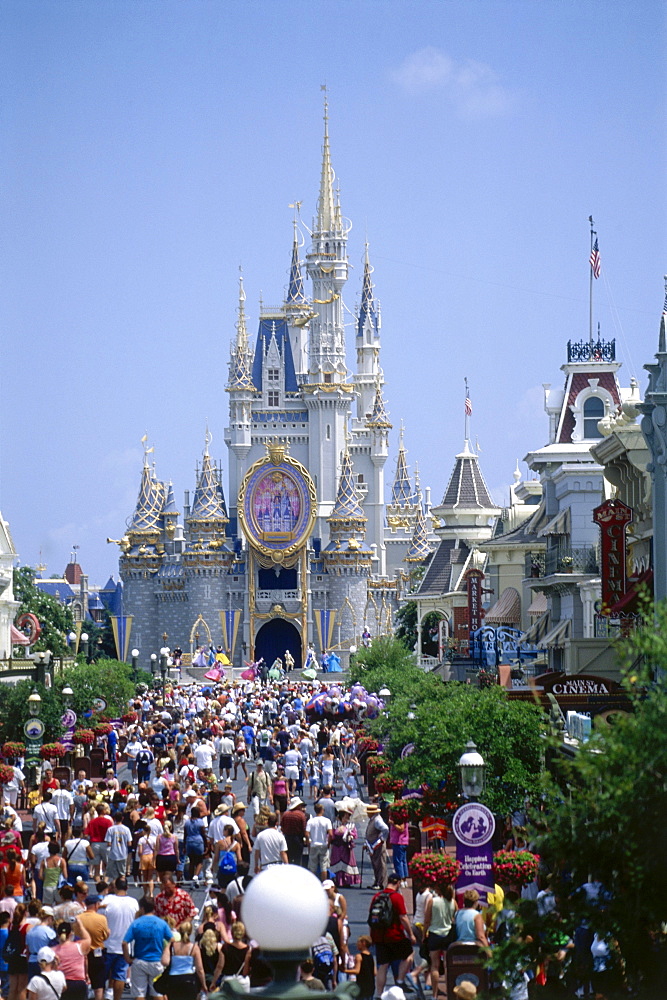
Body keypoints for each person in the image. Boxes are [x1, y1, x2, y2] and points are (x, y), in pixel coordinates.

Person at [367, 873, 416, 996]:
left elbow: (372, 919)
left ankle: (379, 994)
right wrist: (411, 934)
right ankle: (399, 980)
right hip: (395, 935)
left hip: (379, 936)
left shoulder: (377, 896)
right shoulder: (396, 897)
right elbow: (403, 918)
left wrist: (372, 936)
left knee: (383, 965)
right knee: (409, 954)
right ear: (398, 883)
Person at [122, 896, 173, 1000]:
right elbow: (172, 939)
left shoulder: (136, 923)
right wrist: (166, 950)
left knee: (139, 993)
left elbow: (124, 942)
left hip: (140, 960)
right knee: (158, 993)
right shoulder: (161, 923)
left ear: (142, 908)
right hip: (157, 960)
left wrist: (127, 958)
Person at [98, 878, 139, 1000]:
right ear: (127, 888)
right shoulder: (134, 903)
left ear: (115, 887)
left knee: (102, 976)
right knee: (120, 976)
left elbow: (100, 919)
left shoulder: (107, 900)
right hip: (125, 946)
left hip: (107, 944)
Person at [423, 883, 457, 999]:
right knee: (448, 966)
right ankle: (449, 992)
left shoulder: (433, 901)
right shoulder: (453, 902)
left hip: (434, 934)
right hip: (448, 935)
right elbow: (455, 918)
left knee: (434, 965)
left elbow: (427, 920)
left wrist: (424, 935)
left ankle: (434, 994)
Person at [160, 920, 207, 1000]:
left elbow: (164, 961)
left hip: (173, 979)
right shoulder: (194, 948)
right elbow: (200, 969)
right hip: (189, 979)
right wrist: (203, 984)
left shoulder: (172, 946)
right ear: (190, 932)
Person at [76, 895, 109, 1000]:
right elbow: (104, 936)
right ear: (96, 905)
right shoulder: (101, 918)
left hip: (81, 954)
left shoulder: (78, 918)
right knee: (99, 985)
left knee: (81, 982)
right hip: (97, 953)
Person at [53, 918, 92, 1000]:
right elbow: (88, 939)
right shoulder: (79, 946)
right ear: (70, 934)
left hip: (61, 983)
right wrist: (80, 924)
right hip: (78, 983)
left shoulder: (52, 950)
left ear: (58, 934)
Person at [330, 807, 360, 887]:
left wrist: (349, 833)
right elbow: (331, 835)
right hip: (337, 847)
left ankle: (346, 881)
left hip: (346, 847)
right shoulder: (335, 824)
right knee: (337, 863)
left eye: (348, 817)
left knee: (346, 864)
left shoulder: (351, 825)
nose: (346, 818)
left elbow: (355, 835)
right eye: (345, 816)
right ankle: (337, 880)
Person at [364, 804, 388, 890]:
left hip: (378, 845)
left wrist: (382, 839)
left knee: (380, 864)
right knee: (375, 864)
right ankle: (377, 881)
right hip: (372, 845)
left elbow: (385, 829)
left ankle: (380, 883)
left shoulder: (377, 820)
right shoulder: (373, 819)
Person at [306, 802, 332, 880]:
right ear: (322, 810)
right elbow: (330, 834)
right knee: (323, 867)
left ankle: (313, 883)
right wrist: (328, 844)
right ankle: (324, 883)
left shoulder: (310, 821)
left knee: (312, 866)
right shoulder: (327, 821)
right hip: (323, 844)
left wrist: (308, 844)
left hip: (313, 845)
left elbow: (307, 834)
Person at [104, 814, 133, 884]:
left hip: (113, 854)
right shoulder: (126, 829)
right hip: (122, 854)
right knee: (122, 873)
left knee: (111, 874)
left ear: (114, 819)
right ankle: (122, 886)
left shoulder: (110, 829)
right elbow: (129, 843)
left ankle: (108, 887)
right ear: (122, 818)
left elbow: (108, 843)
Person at [280, 797, 307, 866]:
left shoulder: (285, 814)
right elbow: (304, 828)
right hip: (298, 839)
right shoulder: (301, 815)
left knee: (289, 857)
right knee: (298, 859)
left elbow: (282, 827)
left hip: (287, 838)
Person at [347, 936, 375, 1000]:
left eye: (358, 942)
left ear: (363, 943)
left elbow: (357, 971)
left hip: (362, 986)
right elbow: (374, 972)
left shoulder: (359, 956)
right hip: (371, 985)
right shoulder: (370, 956)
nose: (356, 944)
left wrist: (344, 970)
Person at [388, 816, 409, 884]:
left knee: (398, 861)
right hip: (400, 842)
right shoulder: (400, 818)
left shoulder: (400, 819)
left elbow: (401, 829)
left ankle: (400, 879)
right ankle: (404, 879)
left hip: (399, 842)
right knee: (402, 861)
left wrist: (393, 823)